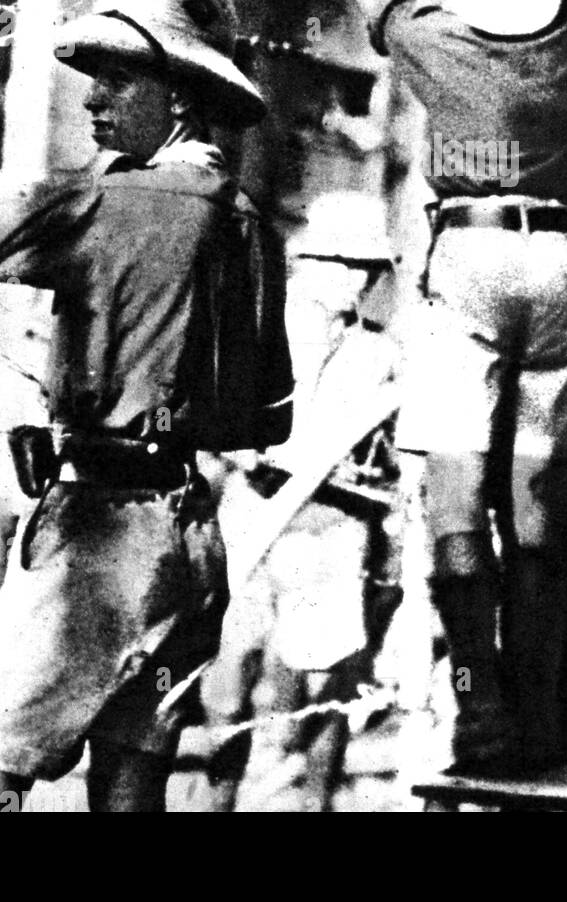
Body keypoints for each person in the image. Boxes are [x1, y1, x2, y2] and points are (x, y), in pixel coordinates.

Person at [0, 0, 294, 812]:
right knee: (129, 797)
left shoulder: (117, 201)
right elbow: (262, 418)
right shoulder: (245, 223)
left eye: (118, 80)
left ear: (183, 99)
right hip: (187, 536)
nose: (92, 102)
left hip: (97, 533)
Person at [341, 0, 567, 775]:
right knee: (543, 512)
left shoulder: (435, 40)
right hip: (562, 266)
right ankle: (539, 723)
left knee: (455, 499)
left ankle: (479, 705)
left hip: (469, 258)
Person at [202, 189, 402, 812]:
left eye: (365, 267)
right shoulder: (259, 330)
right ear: (311, 261)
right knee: (230, 677)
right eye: (342, 262)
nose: (355, 279)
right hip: (254, 514)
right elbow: (210, 423)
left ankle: (313, 805)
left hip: (336, 528)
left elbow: (391, 462)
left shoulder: (380, 353)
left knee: (328, 684)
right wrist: (244, 450)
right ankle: (215, 803)